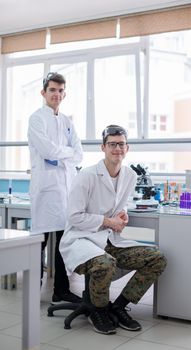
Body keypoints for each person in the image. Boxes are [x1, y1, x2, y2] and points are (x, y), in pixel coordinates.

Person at [60, 125, 167, 334]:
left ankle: (117, 307)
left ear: (127, 148)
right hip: (82, 240)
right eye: (112, 144)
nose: (117, 148)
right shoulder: (87, 176)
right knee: (105, 264)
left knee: (157, 258)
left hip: (109, 240)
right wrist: (108, 222)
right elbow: (74, 216)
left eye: (121, 144)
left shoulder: (129, 175)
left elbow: (119, 202)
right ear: (103, 147)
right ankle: (98, 310)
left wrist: (122, 213)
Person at [27, 72, 83, 303]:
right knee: (38, 242)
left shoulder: (68, 121)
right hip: (45, 189)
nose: (56, 94)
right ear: (44, 92)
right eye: (52, 90)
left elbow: (79, 154)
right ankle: (33, 289)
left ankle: (61, 290)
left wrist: (64, 155)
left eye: (60, 91)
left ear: (64, 93)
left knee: (63, 242)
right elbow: (48, 151)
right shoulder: (36, 119)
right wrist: (66, 154)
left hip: (66, 190)